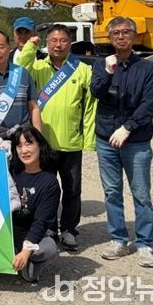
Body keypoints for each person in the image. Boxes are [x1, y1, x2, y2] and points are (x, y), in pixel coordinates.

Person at [17, 24, 97, 252]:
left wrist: (88, 139)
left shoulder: (83, 69)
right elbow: (19, 69)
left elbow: (90, 107)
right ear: (47, 43)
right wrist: (30, 48)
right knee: (47, 190)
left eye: (63, 40)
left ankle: (69, 229)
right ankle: (49, 228)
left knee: (72, 189)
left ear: (70, 42)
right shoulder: (37, 67)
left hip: (71, 142)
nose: (58, 45)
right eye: (53, 40)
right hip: (44, 143)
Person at [91, 17, 153, 268]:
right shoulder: (101, 64)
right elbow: (96, 92)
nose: (121, 36)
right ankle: (118, 239)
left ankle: (145, 243)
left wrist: (128, 127)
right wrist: (108, 74)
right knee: (112, 192)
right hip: (106, 139)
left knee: (141, 194)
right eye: (116, 33)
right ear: (110, 38)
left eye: (126, 32)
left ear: (134, 35)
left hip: (136, 140)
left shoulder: (147, 68)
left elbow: (148, 103)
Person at [9, 125, 61, 282]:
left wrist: (26, 251)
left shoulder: (50, 182)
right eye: (19, 146)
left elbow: (42, 221)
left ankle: (31, 261)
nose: (24, 150)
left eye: (28, 144)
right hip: (10, 231)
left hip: (34, 233)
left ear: (40, 145)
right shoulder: (11, 172)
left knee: (47, 248)